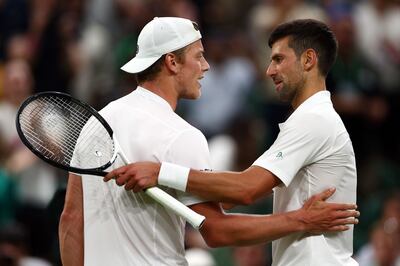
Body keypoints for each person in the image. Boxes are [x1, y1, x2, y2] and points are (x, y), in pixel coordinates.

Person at [60, 17, 359, 266]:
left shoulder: (95, 123)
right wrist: (302, 219)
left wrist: (162, 173)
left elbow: (71, 218)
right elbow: (221, 224)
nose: (206, 66)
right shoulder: (183, 135)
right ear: (172, 62)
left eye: (278, 59)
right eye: (198, 56)